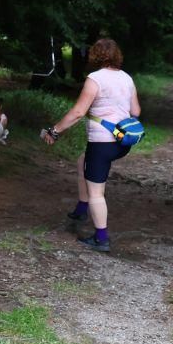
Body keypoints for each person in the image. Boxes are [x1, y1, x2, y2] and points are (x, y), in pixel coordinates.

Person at [41, 38, 140, 252]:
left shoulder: (95, 79)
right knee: (82, 162)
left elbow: (78, 112)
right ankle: (81, 208)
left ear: (95, 55)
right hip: (122, 142)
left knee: (97, 192)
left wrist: (55, 130)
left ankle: (101, 238)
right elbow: (136, 111)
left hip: (102, 143)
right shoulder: (127, 78)